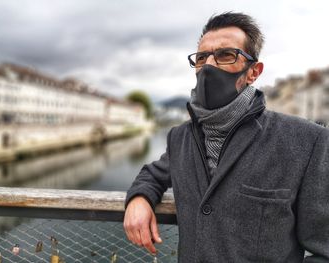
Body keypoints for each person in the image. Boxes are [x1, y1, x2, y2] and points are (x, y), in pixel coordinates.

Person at [123, 12, 329, 262]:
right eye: (202, 57)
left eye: (225, 55)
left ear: (253, 71)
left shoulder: (306, 141)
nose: (209, 65)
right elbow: (153, 174)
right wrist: (138, 199)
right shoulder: (180, 137)